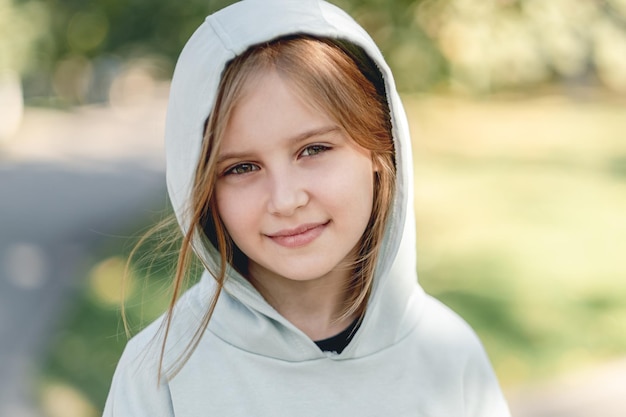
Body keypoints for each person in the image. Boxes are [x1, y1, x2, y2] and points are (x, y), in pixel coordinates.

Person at [103, 0, 511, 416]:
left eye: (313, 149)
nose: (285, 200)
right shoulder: (161, 374)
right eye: (242, 167)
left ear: (379, 145)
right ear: (202, 186)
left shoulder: (450, 357)